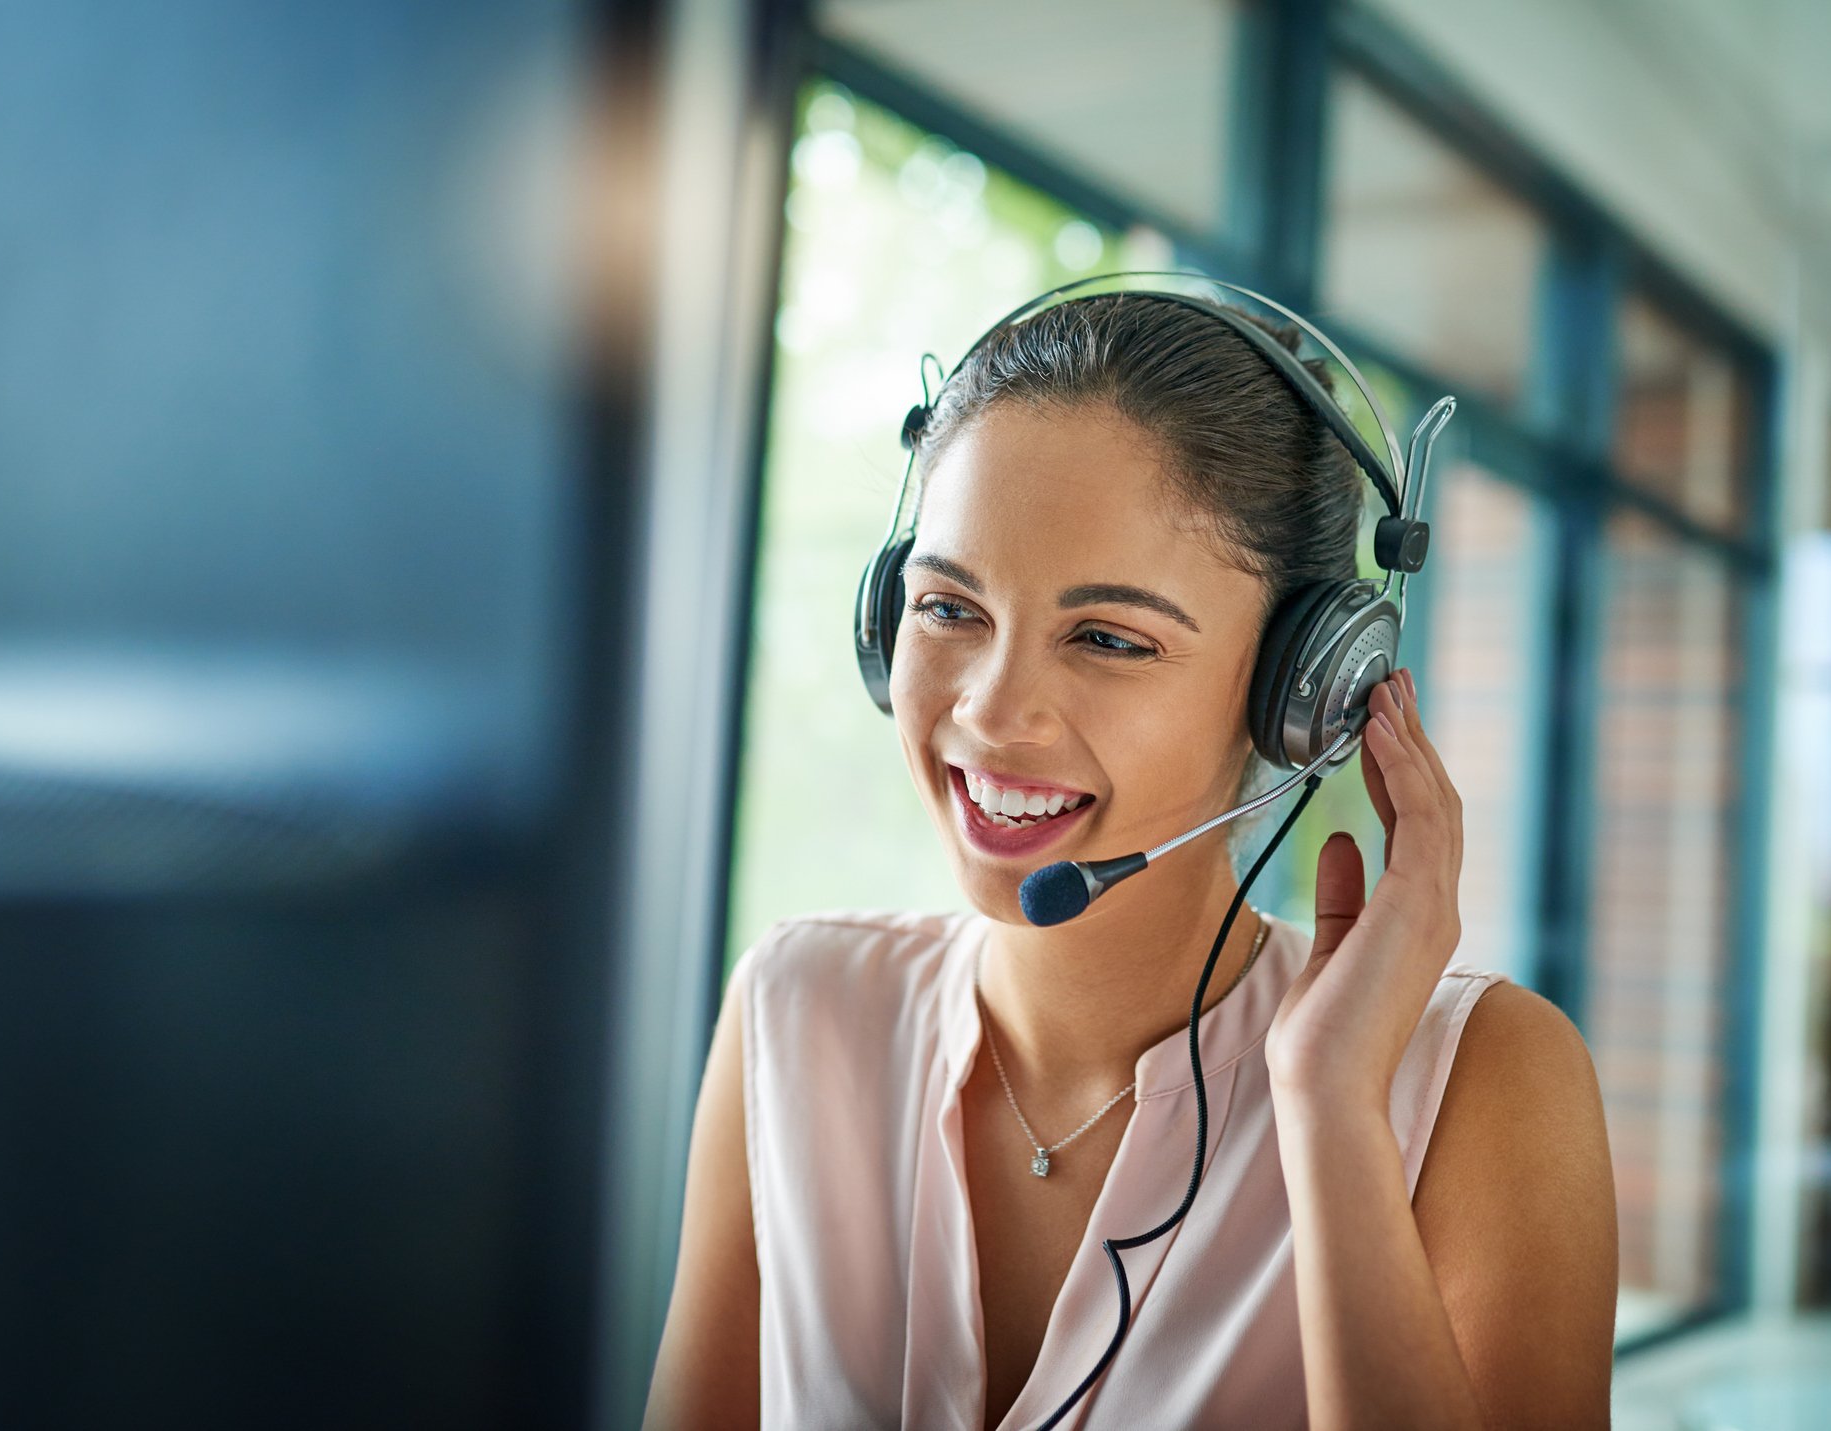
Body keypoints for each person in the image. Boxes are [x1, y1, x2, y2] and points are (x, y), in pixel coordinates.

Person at [646, 291, 1618, 1429]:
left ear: (1303, 691)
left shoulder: (1484, 1081)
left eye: (1109, 638)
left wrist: (1333, 1109)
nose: (994, 712)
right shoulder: (798, 1007)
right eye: (948, 607)